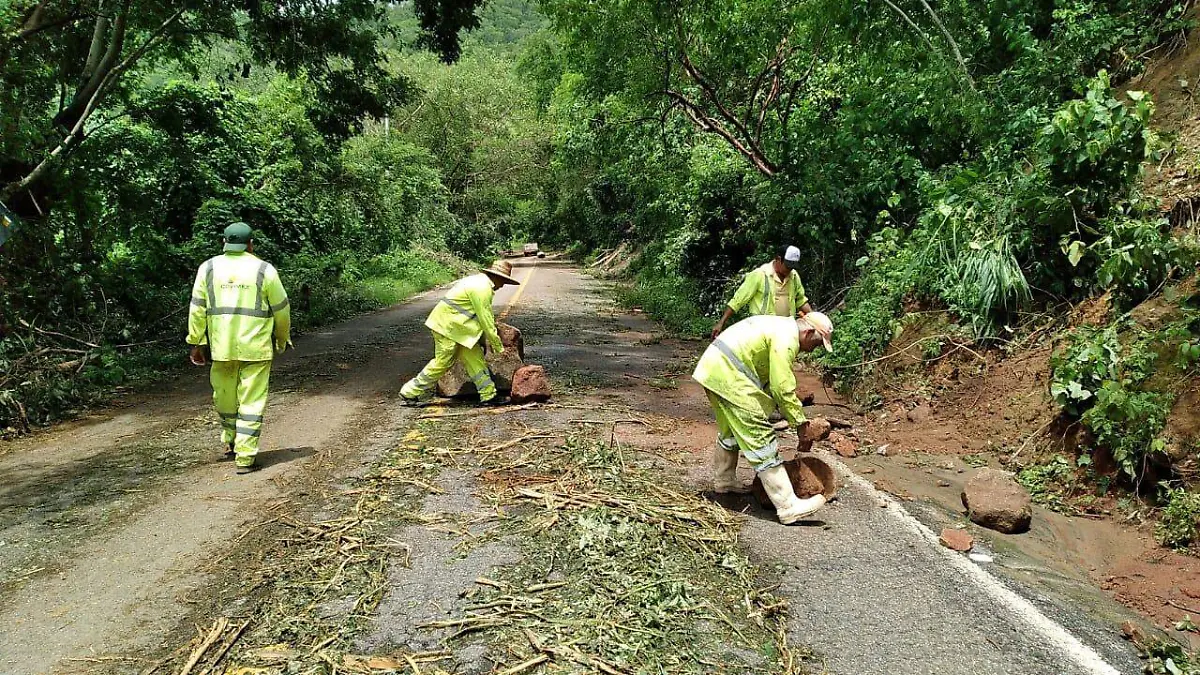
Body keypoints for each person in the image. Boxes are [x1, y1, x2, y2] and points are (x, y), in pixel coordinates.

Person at [692, 312, 834, 524]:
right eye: (817, 343)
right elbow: (782, 386)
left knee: (731, 430)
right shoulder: (787, 339)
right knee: (760, 436)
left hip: (713, 370)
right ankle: (788, 507)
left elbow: (765, 375)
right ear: (808, 332)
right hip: (727, 376)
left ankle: (724, 480)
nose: (815, 349)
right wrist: (800, 422)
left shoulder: (779, 327)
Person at [187, 222, 291, 475]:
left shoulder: (208, 268)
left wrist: (196, 342)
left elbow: (197, 308)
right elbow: (282, 309)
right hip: (256, 348)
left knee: (224, 396)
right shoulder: (264, 270)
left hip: (221, 348)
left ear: (224, 242)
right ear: (251, 244)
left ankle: (232, 439)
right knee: (252, 401)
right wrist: (281, 338)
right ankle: (245, 457)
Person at [400, 260, 521, 406]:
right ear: (497, 277)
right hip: (447, 326)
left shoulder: (478, 281)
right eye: (503, 281)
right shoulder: (483, 288)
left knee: (475, 360)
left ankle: (488, 395)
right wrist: (498, 346)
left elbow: (476, 317)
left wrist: (482, 340)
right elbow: (486, 320)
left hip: (460, 330)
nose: (502, 286)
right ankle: (410, 391)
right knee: (443, 362)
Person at [711, 245, 814, 339]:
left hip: (785, 331)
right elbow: (738, 300)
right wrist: (721, 323)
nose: (789, 270)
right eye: (787, 266)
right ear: (778, 259)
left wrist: (814, 319)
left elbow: (801, 300)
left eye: (792, 267)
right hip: (761, 330)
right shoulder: (759, 275)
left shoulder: (794, 276)